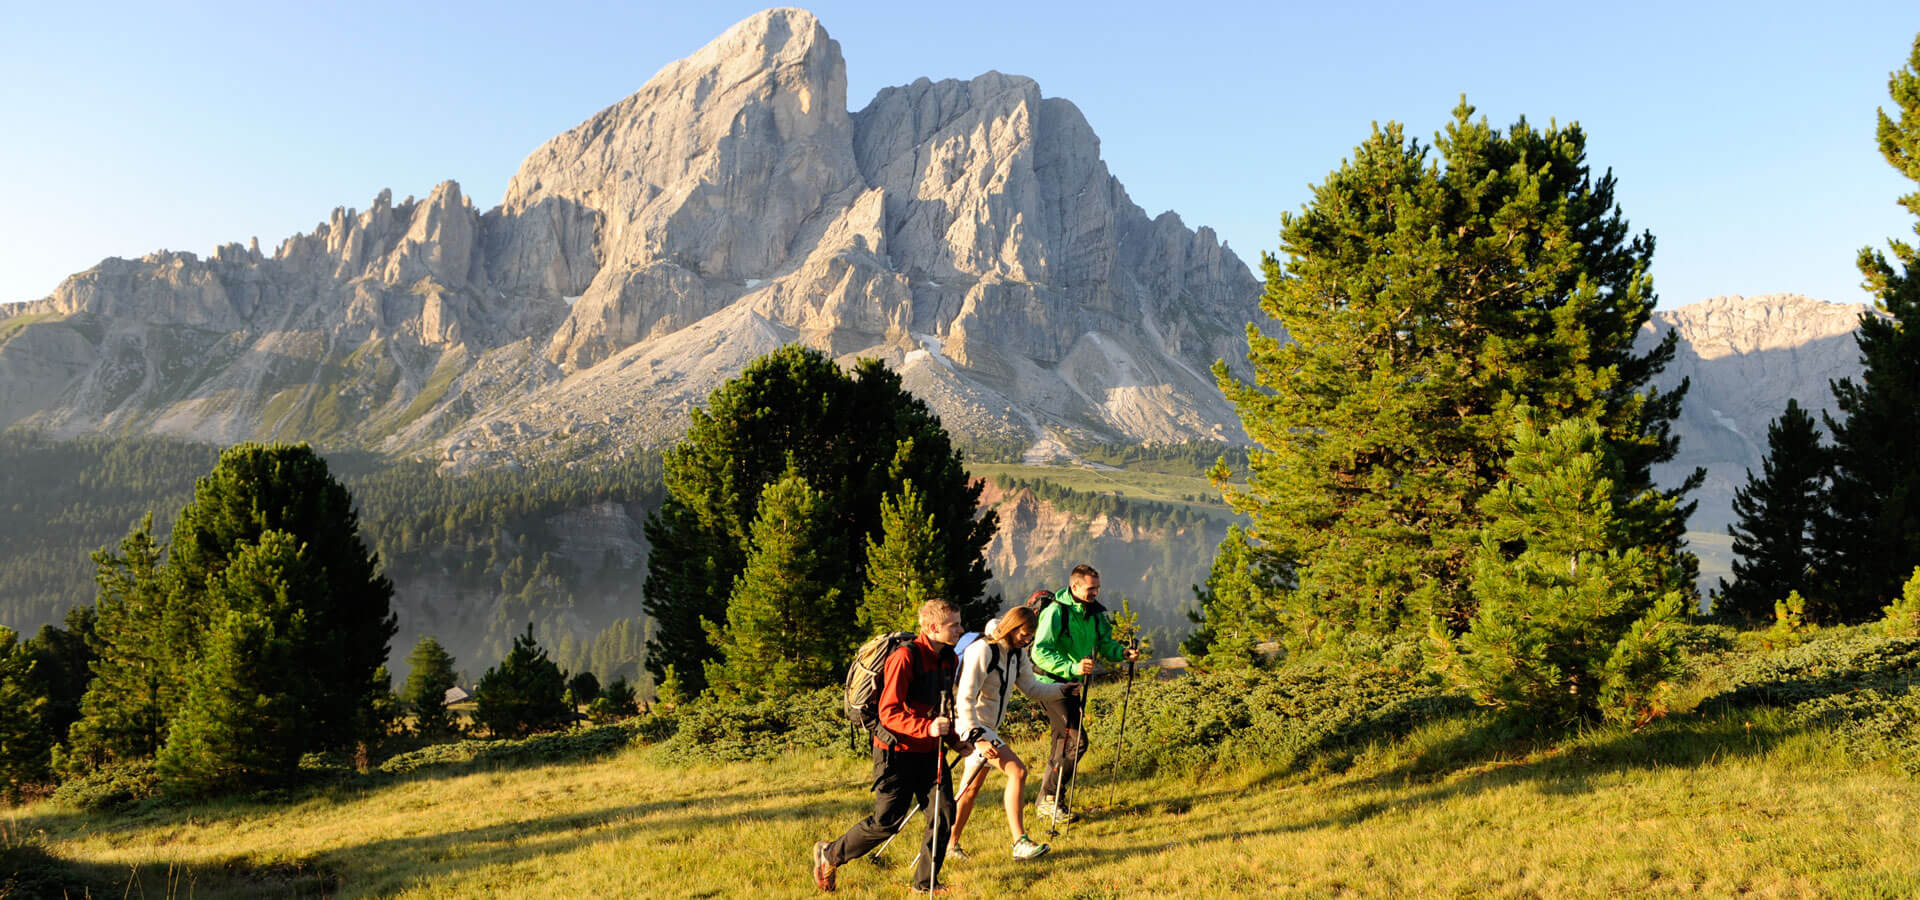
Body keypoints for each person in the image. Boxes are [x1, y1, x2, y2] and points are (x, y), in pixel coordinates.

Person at [813, 599, 964, 893]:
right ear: (933, 629)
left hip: (930, 751)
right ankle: (829, 854)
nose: (960, 629)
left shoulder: (949, 658)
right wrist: (927, 728)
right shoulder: (905, 658)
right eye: (954, 625)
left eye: (959, 623)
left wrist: (956, 741)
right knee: (886, 822)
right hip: (895, 752)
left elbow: (943, 707)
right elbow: (889, 712)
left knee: (944, 813)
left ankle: (925, 884)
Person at [949, 605, 1070, 861]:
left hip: (986, 729)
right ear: (1012, 628)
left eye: (1030, 637)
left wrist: (1063, 690)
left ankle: (949, 846)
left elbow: (1031, 688)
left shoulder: (1017, 653)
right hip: (970, 727)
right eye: (1024, 635)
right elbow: (965, 698)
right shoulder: (982, 651)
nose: (1027, 641)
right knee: (1018, 771)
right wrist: (978, 739)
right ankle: (1020, 842)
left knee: (970, 789)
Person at [1029, 565, 1138, 823]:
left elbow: (1104, 642)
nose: (1095, 592)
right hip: (1050, 684)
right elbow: (1039, 652)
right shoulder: (1056, 611)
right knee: (1076, 743)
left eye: (1097, 587)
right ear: (1075, 586)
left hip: (1072, 684)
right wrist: (1072, 667)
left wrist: (1122, 653)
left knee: (1061, 743)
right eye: (1091, 588)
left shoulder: (1094, 613)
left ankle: (1048, 801)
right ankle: (1049, 800)